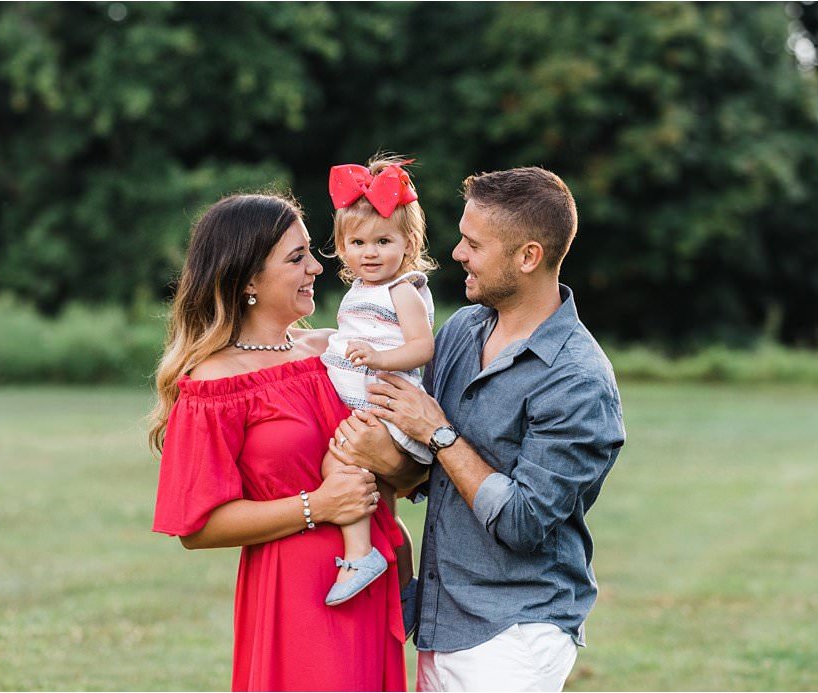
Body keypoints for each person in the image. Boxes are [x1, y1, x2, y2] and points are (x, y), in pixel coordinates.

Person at [362, 167, 627, 691]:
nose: (457, 253)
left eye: (472, 243)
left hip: (514, 631)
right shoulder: (463, 329)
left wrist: (440, 433)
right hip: (442, 619)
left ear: (528, 257)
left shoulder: (577, 378)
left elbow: (523, 522)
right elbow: (423, 474)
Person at [150, 192, 409, 691]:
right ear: (248, 279)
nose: (317, 266)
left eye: (310, 250)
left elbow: (404, 453)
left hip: (374, 577)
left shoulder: (336, 352)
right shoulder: (213, 384)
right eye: (296, 258)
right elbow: (197, 527)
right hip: (299, 592)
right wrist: (319, 504)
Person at [319, 157, 438, 607]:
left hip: (387, 409)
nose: (370, 252)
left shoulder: (402, 290)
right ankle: (407, 588)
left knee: (338, 467)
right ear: (343, 248)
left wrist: (379, 357)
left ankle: (359, 555)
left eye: (383, 241)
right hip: (367, 405)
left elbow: (422, 346)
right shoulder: (360, 292)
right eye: (358, 242)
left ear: (407, 245)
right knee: (383, 508)